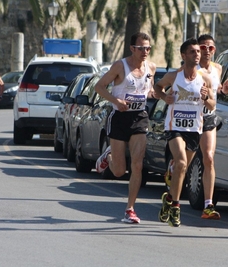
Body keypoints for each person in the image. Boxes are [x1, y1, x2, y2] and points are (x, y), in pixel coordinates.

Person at [94, 32, 157, 224]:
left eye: (148, 48)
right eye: (141, 48)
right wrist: (116, 100)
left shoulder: (151, 67)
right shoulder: (120, 66)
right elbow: (99, 87)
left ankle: (130, 208)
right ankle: (109, 156)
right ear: (132, 48)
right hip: (119, 117)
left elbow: (150, 90)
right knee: (119, 171)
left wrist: (160, 94)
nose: (145, 52)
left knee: (137, 165)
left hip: (139, 118)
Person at [154, 38, 215, 227]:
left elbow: (212, 105)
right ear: (183, 55)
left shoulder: (204, 79)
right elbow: (157, 87)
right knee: (180, 163)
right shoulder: (174, 76)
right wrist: (165, 97)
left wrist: (206, 98)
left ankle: (169, 198)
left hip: (194, 129)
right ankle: (175, 207)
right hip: (174, 127)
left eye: (198, 51)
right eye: (192, 51)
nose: (197, 54)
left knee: (182, 169)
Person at [196, 34, 228, 220]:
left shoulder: (217, 69)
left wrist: (223, 90)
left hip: (209, 117)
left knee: (209, 158)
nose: (207, 51)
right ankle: (172, 170)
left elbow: (216, 90)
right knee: (182, 163)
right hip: (189, 117)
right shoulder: (189, 69)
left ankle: (208, 205)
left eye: (211, 48)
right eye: (203, 47)